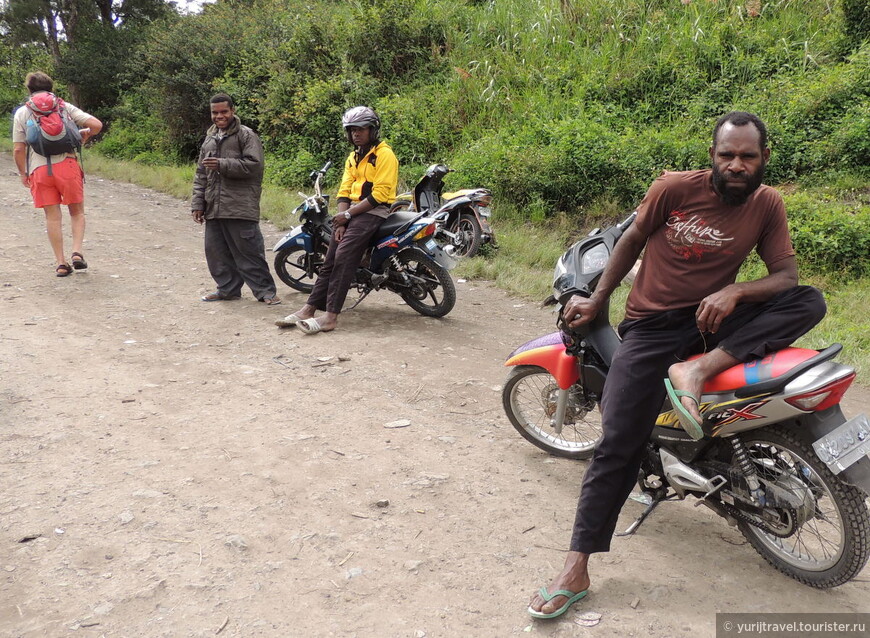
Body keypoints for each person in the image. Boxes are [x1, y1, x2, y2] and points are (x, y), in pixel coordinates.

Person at [528, 112, 826, 619]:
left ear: (763, 159)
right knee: (618, 441)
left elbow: (785, 276)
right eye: (727, 154)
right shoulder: (672, 189)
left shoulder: (767, 203)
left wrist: (735, 291)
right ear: (712, 155)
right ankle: (575, 567)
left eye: (747, 156)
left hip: (712, 322)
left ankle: (698, 371)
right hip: (652, 326)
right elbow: (630, 240)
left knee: (808, 300)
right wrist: (600, 299)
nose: (737, 164)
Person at [277, 106, 399, 334]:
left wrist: (348, 215)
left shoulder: (384, 155)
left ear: (373, 130)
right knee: (330, 258)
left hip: (374, 211)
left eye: (361, 129)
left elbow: (381, 194)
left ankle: (331, 316)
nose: (356, 133)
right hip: (352, 212)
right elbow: (344, 190)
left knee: (344, 257)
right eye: (352, 130)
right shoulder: (353, 157)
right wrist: (341, 219)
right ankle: (309, 308)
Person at [191, 93, 280, 305]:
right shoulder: (210, 137)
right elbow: (201, 174)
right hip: (214, 207)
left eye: (224, 112)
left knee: (249, 252)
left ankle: (266, 293)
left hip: (241, 206)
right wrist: (198, 203)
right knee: (216, 253)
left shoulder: (246, 135)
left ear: (232, 111)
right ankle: (227, 290)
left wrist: (222, 164)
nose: (219, 116)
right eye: (215, 112)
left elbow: (254, 166)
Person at [12, 71, 103, 277]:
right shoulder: (63, 106)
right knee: (77, 212)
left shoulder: (22, 112)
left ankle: (61, 263)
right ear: (51, 88)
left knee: (52, 218)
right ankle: (77, 252)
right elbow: (96, 125)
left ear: (29, 90)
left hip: (40, 170)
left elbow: (18, 149)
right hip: (67, 165)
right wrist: (83, 136)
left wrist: (22, 173)